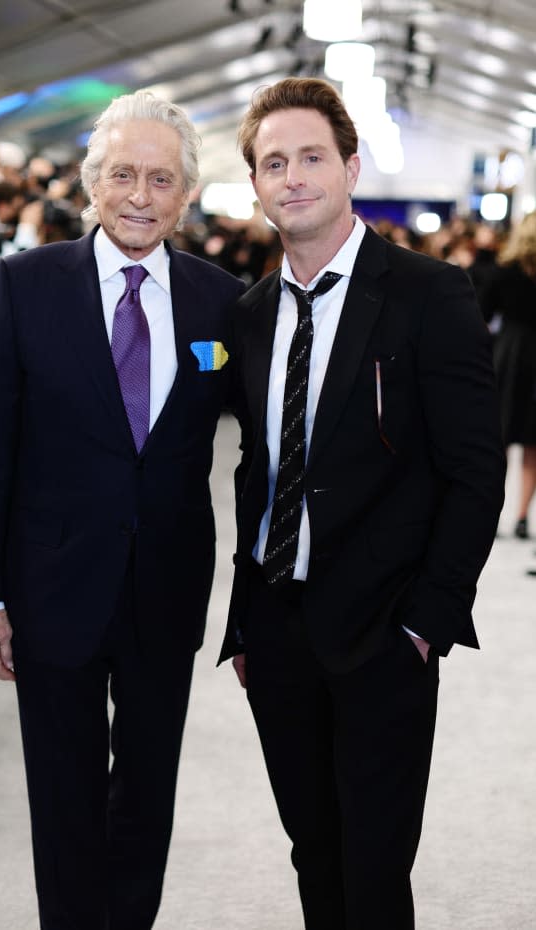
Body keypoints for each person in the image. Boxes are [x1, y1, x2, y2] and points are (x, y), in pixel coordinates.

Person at [219, 77, 506, 930]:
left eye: (311, 157)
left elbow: (474, 470)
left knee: (375, 864)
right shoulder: (251, 313)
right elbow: (255, 470)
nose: (293, 176)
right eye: (275, 163)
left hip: (385, 629)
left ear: (350, 167)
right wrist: (243, 619)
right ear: (258, 185)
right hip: (275, 629)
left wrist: (428, 619)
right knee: (314, 851)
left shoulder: (429, 293)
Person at [0, 90, 244, 930]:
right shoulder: (24, 284)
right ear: (92, 183)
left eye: (160, 178)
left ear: (186, 194)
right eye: (123, 174)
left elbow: (258, 439)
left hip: (165, 586)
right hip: (50, 587)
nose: (140, 196)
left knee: (146, 793)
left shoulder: (220, 301)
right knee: (63, 792)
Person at [480, 212, 536, 540]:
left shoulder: (503, 273)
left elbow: (483, 314)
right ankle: (521, 516)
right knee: (532, 444)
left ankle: (492, 514)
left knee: (496, 442)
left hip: (508, 356)